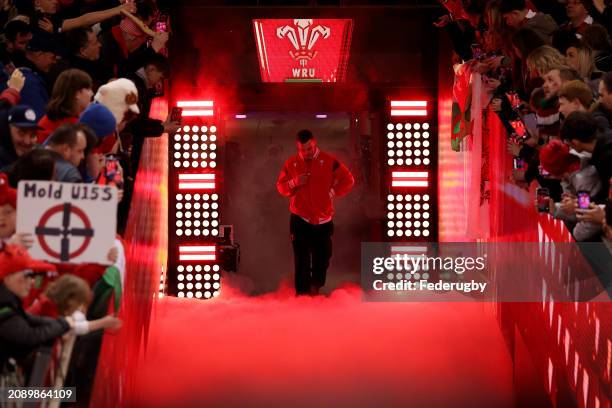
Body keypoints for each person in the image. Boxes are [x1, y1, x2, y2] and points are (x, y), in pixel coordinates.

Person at [276, 129, 354, 296]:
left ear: (314, 143)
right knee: (301, 260)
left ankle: (315, 286)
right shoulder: (292, 163)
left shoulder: (329, 160)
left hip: (323, 219)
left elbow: (348, 180)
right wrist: (294, 182)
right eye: (302, 150)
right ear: (298, 148)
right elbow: (281, 186)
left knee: (323, 258)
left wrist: (333, 192)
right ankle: (303, 296)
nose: (306, 153)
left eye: (309, 149)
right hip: (300, 218)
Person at [0, 243, 73, 369]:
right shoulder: (3, 306)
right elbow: (29, 337)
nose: (33, 281)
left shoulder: (9, 302)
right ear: (7, 278)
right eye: (27, 275)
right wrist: (63, 325)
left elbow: (29, 319)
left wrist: (61, 324)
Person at [561, 111, 612, 201]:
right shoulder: (604, 134)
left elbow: (606, 193)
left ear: (575, 142)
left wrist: (581, 203)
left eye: (568, 144)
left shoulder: (605, 158)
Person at [37, 68, 93, 143]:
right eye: (89, 89)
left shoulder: (74, 119)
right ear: (77, 94)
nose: (92, 94)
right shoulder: (71, 127)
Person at [0, 104, 42, 170]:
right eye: (21, 133)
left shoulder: (39, 156)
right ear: (8, 130)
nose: (27, 142)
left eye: (33, 135)